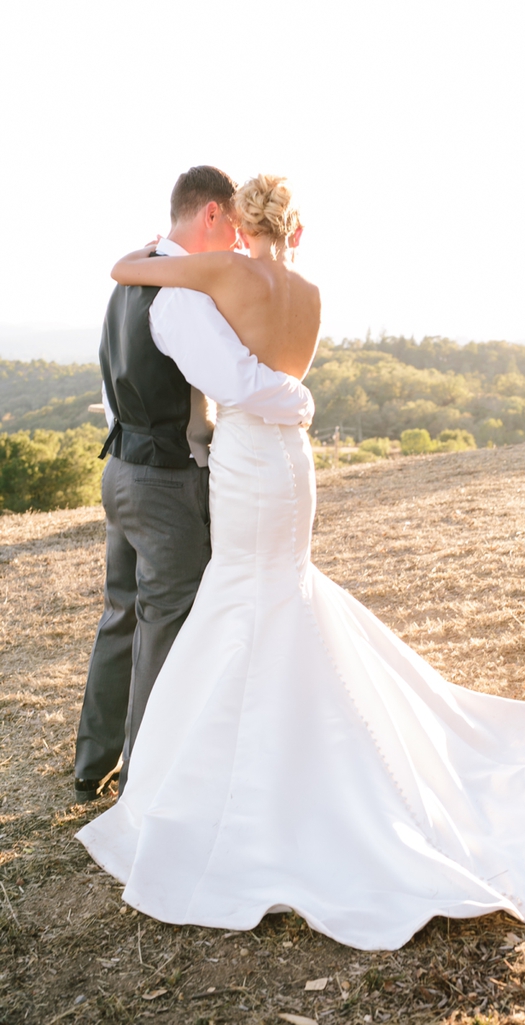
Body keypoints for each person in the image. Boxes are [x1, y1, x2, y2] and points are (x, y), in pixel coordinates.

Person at [77, 174, 525, 951]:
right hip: (289, 461)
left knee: (242, 595)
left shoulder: (225, 272)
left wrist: (149, 256)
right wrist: (295, 402)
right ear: (294, 232)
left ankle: (207, 784)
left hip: (243, 457)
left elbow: (140, 282)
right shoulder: (312, 291)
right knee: (273, 592)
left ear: (237, 224)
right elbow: (286, 383)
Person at [74, 166, 314, 802]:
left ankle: (91, 763)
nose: (237, 239)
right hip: (163, 484)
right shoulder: (179, 295)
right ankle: (146, 779)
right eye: (231, 225)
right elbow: (234, 382)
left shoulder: (134, 283)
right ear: (211, 214)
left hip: (118, 468)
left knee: (120, 615)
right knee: (168, 625)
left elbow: (113, 385)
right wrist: (299, 399)